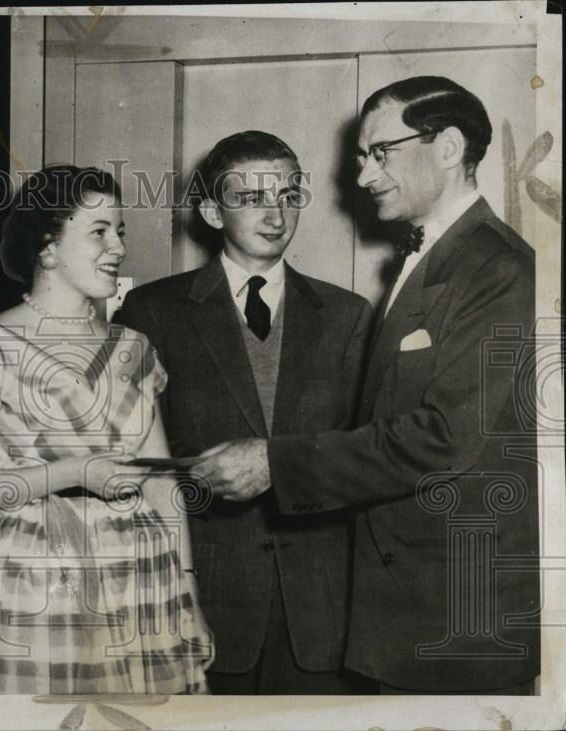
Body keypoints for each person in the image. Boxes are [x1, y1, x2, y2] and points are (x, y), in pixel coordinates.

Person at [195, 76, 539, 694]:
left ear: (449, 147)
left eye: (381, 152)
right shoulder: (438, 259)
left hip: (453, 623)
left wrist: (278, 463)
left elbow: (446, 436)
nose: (362, 176)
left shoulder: (498, 268)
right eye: (361, 157)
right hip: (408, 613)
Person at [0, 165, 212, 694]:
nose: (118, 247)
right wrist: (73, 472)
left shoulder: (133, 348)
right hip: (33, 579)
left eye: (121, 231)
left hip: (140, 579)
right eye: (99, 231)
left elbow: (160, 481)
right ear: (48, 249)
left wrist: (188, 594)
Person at [114, 131, 373, 693]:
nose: (275, 214)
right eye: (252, 198)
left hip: (321, 611)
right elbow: (133, 462)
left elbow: (364, 455)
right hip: (203, 599)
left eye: (287, 195)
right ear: (211, 210)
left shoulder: (348, 316)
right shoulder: (151, 311)